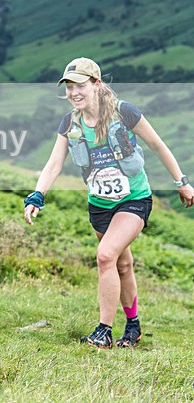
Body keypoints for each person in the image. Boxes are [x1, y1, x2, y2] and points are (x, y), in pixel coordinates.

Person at [23, 57, 193, 349]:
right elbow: (54, 163)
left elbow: (157, 145)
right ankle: (133, 327)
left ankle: (103, 331)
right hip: (100, 205)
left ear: (97, 84)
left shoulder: (124, 112)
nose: (74, 92)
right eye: (69, 87)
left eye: (80, 85)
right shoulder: (70, 123)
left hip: (134, 199)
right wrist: (38, 195)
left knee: (105, 256)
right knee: (122, 264)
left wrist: (181, 182)